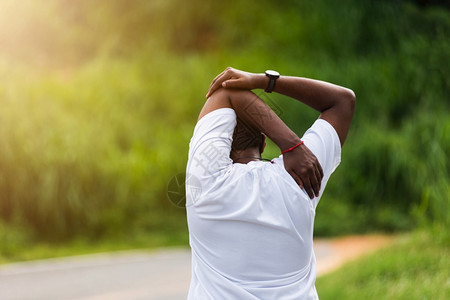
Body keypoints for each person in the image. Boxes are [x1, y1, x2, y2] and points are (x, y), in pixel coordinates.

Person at [185, 67, 355, 299]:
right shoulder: (302, 175)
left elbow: (223, 94)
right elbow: (342, 101)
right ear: (263, 143)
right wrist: (264, 82)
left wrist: (292, 145)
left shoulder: (205, 182)